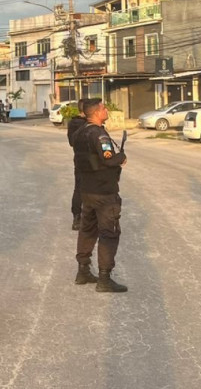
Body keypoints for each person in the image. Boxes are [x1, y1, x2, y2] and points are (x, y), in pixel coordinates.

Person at [71, 98, 127, 293]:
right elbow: (108, 159)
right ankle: (104, 278)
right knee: (109, 233)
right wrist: (122, 158)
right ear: (96, 112)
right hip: (104, 191)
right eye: (103, 108)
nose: (106, 110)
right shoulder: (98, 134)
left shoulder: (79, 133)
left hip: (87, 190)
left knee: (87, 230)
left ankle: (83, 270)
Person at [65, 99, 87, 231]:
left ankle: (79, 217)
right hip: (84, 161)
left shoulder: (73, 123)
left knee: (79, 189)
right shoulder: (80, 124)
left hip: (80, 159)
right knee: (81, 189)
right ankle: (78, 217)